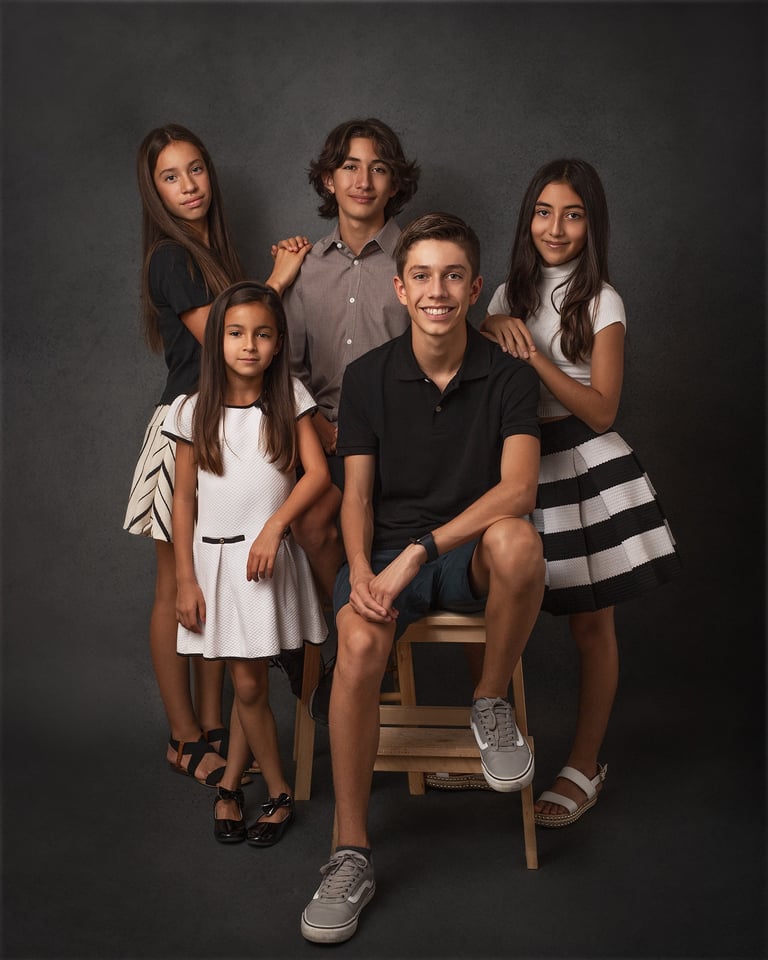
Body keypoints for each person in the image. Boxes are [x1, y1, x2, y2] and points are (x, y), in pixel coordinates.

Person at [300, 213, 545, 944]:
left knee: (520, 543)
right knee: (357, 644)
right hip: (383, 554)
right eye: (423, 276)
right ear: (401, 289)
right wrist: (363, 570)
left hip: (465, 551)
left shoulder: (509, 375)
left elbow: (518, 490)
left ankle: (489, 701)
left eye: (453, 276)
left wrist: (424, 549)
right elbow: (357, 496)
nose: (438, 290)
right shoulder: (368, 376)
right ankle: (351, 853)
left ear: (474, 287)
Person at [481, 158, 681, 828]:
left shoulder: (603, 300)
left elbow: (602, 410)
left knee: (592, 624)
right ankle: (489, 744)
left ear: (592, 224)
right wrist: (488, 328)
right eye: (544, 212)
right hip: (516, 464)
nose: (556, 228)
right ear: (527, 218)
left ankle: (585, 764)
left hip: (583, 464)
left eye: (573, 214)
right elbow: (477, 373)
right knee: (495, 610)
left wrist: (535, 355)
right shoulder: (505, 292)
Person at [123, 124, 309, 787]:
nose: (189, 186)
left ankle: (213, 726)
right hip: (186, 429)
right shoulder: (171, 257)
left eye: (196, 169)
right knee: (175, 585)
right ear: (154, 191)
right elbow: (221, 344)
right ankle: (183, 737)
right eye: (171, 176)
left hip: (228, 431)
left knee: (216, 573)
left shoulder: (210, 254)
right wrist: (278, 279)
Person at [162, 280, 329, 845]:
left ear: (278, 343)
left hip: (266, 563)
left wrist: (275, 527)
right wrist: (185, 578)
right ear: (217, 340)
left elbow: (317, 475)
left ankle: (234, 786)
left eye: (262, 334)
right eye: (236, 333)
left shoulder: (290, 399)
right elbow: (183, 500)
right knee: (249, 680)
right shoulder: (193, 410)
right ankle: (275, 790)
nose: (249, 345)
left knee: (249, 680)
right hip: (214, 566)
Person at [278, 117, 421, 600]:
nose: (363, 181)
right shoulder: (305, 266)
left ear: (394, 182)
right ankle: (349, 625)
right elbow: (288, 368)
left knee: (389, 531)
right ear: (328, 179)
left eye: (378, 169)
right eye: (349, 167)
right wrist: (318, 426)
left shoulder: (418, 261)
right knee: (311, 522)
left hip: (399, 438)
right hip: (325, 439)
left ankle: (365, 628)